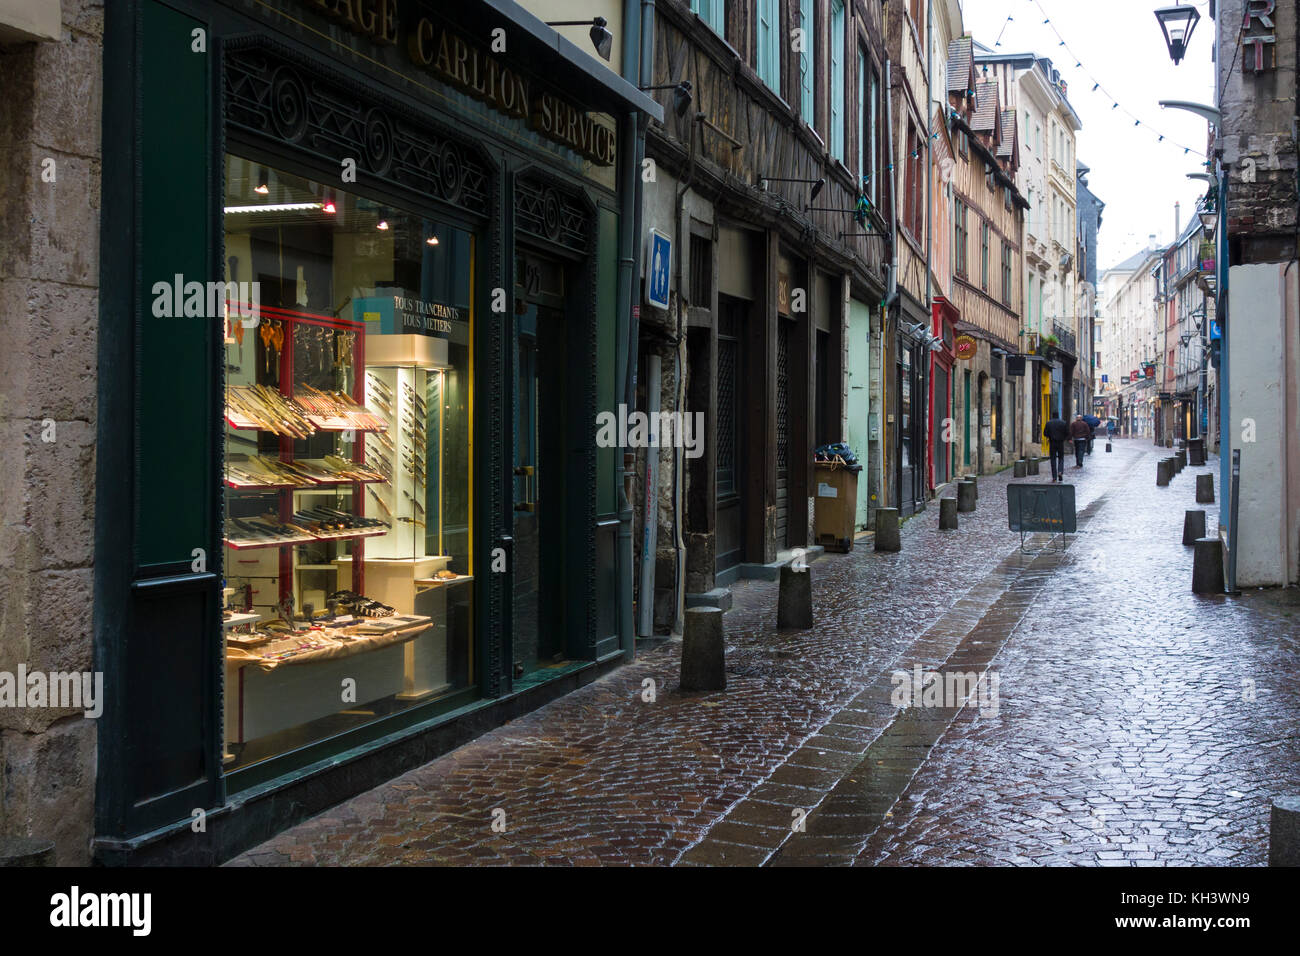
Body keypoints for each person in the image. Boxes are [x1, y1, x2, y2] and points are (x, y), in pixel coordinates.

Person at [1042, 414, 1070, 482]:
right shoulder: (1063, 422)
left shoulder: (1049, 423)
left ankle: (1054, 477)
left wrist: (1050, 436)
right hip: (1060, 442)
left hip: (1052, 442)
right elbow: (1067, 432)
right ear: (1058, 416)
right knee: (1061, 458)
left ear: (1052, 416)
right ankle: (1060, 471)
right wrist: (1063, 438)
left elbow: (1045, 433)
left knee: (1053, 459)